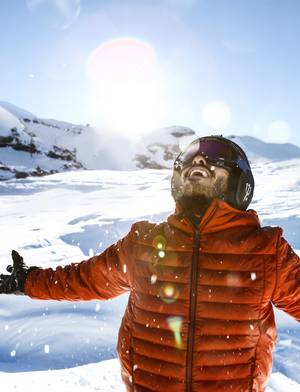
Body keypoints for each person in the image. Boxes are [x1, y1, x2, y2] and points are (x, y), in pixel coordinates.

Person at [0, 135, 299, 392]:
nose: (198, 162)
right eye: (190, 157)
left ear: (238, 179)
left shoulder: (266, 251)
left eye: (215, 157)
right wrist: (28, 281)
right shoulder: (143, 241)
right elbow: (87, 278)